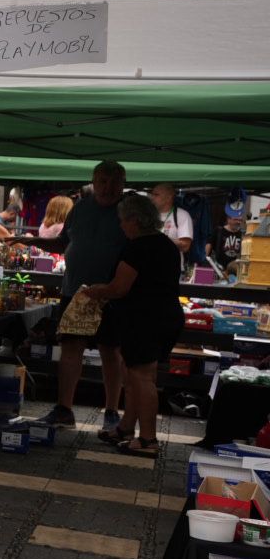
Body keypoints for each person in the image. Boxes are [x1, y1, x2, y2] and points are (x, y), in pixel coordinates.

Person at [32, 160, 129, 433]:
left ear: (122, 184)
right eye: (102, 181)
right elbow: (64, 243)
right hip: (76, 292)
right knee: (71, 348)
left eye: (114, 182)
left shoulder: (128, 211)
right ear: (94, 181)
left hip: (113, 294)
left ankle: (111, 412)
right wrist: (33, 242)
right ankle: (64, 409)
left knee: (111, 351)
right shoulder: (80, 209)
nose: (107, 187)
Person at [83, 194, 181, 455]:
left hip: (145, 318)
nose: (121, 225)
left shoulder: (138, 247)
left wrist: (97, 291)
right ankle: (126, 428)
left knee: (142, 377)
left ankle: (148, 440)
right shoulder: (167, 245)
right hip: (165, 315)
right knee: (135, 375)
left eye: (123, 220)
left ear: (135, 220)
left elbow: (119, 288)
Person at [150, 183, 193, 256]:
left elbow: (185, 246)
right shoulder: (148, 215)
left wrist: (160, 239)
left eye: (156, 195)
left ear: (168, 197)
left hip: (170, 265)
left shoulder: (182, 215)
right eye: (152, 194)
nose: (152, 198)